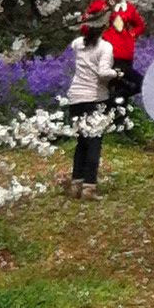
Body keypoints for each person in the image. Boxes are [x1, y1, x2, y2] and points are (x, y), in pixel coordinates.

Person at [65, 11, 115, 197]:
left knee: (81, 142)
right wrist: (116, 74)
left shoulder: (78, 44)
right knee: (94, 142)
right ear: (103, 27)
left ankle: (76, 183)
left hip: (76, 97)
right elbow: (103, 72)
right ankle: (89, 186)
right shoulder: (105, 47)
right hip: (94, 98)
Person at [90, 0, 146, 128]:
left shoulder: (128, 7)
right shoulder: (101, 5)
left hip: (126, 51)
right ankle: (108, 119)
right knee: (111, 84)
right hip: (108, 50)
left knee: (130, 84)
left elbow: (140, 25)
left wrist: (132, 34)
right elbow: (86, 20)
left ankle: (120, 120)